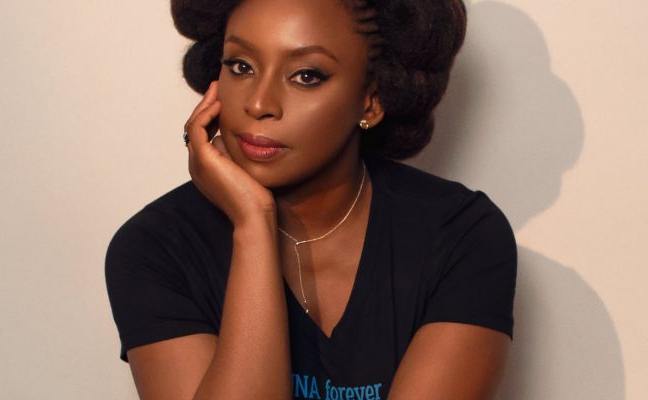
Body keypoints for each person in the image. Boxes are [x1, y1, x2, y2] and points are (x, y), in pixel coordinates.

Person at [105, 0, 517, 398]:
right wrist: (253, 223)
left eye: (306, 76)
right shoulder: (155, 248)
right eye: (241, 66)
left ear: (371, 100)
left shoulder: (461, 236)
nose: (259, 104)